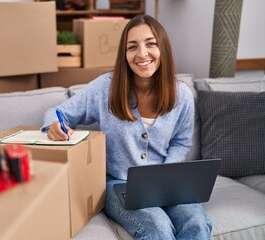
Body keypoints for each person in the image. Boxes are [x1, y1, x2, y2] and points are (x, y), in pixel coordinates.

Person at [41, 14, 212, 240]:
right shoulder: (105, 88)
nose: (142, 54)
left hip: (165, 183)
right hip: (117, 184)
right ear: (125, 54)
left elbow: (181, 142)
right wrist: (54, 124)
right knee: (157, 227)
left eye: (151, 44)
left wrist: (165, 177)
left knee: (197, 223)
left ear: (163, 49)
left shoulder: (182, 95)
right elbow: (57, 112)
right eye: (133, 47)